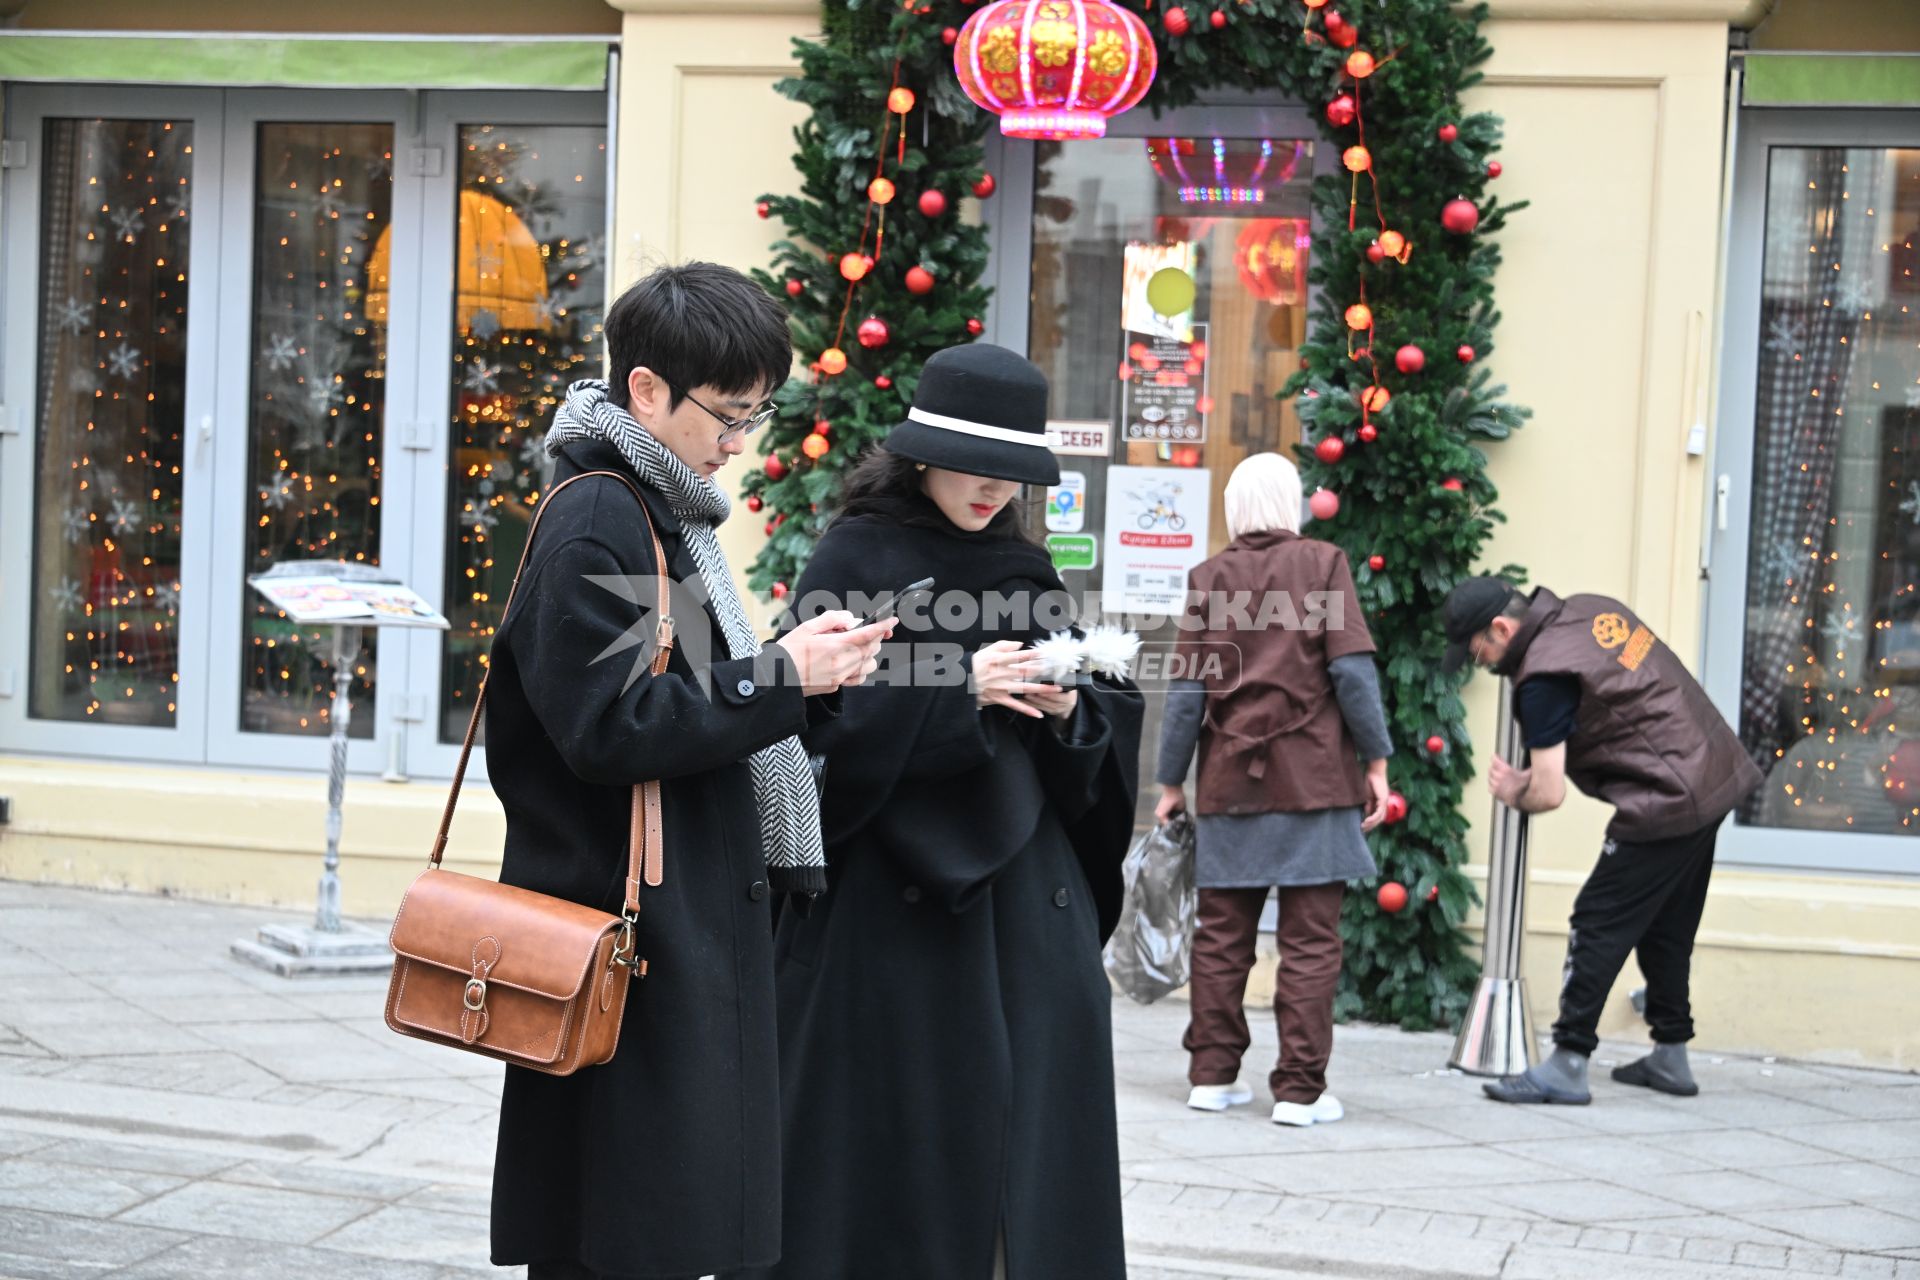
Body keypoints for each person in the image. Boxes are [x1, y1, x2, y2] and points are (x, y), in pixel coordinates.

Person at [483, 262, 890, 1279]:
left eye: (756, 413)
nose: (740, 441)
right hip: (629, 943)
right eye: (727, 411)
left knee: (653, 1227)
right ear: (646, 390)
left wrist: (806, 678)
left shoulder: (664, 517)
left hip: (675, 932)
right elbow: (610, 728)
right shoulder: (600, 516)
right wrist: (781, 677)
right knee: (620, 1232)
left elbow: (704, 703)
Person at [755, 343, 1145, 1280]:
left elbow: (1099, 715)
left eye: (1013, 474)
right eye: (974, 467)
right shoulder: (856, 557)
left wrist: (1072, 711)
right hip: (887, 925)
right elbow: (800, 724)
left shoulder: (1024, 565)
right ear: (920, 455)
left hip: (1026, 918)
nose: (991, 491)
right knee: (893, 1168)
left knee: (1031, 1163)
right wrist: (952, 691)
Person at [1440, 577, 1763, 1105]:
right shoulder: (1591, 611)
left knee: (1597, 922)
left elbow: (1548, 793)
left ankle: (1568, 1062)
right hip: (1714, 771)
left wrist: (1512, 790)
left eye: (1479, 650)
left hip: (1667, 799)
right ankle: (1671, 1054)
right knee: (1666, 926)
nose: (1482, 662)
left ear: (1502, 628)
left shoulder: (1541, 678)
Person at [1154, 452, 1392, 1127]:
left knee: (1222, 934)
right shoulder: (1322, 565)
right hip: (1314, 780)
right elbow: (1352, 676)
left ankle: (1211, 1075)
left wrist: (1172, 781)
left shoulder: (1209, 577)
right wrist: (1375, 761)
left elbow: (1185, 695)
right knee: (1311, 940)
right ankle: (1298, 1090)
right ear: (1291, 503)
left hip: (1230, 780)